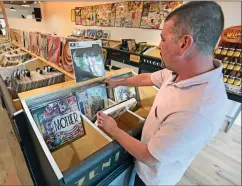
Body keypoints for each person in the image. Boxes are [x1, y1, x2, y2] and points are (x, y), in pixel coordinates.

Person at [97, 2, 227, 185]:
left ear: (184, 44)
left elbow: (149, 156)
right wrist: (118, 82)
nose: (159, 45)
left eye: (163, 38)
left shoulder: (196, 111)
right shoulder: (183, 71)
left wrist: (113, 129)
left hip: (152, 178)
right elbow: (148, 78)